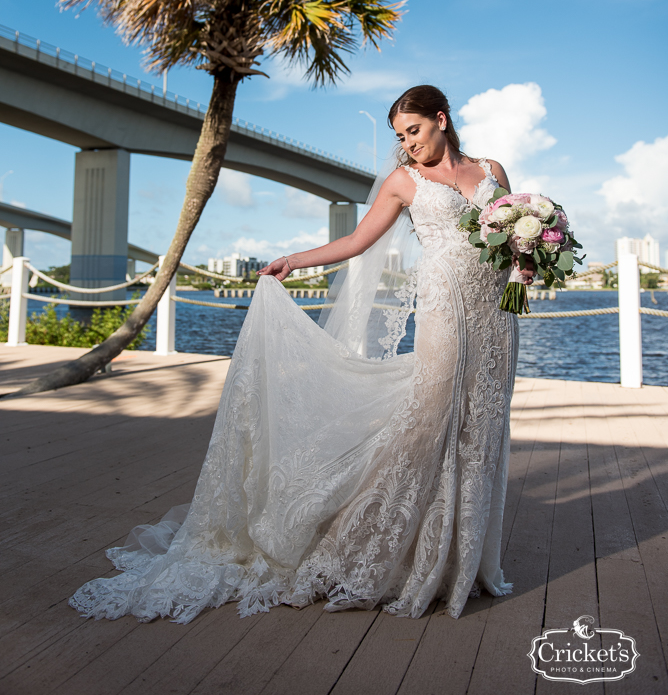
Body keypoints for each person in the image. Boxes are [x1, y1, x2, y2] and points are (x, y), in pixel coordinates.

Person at [70, 84, 530, 625]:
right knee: (428, 423)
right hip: (445, 309)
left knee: (483, 427)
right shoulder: (403, 182)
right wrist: (294, 260)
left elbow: (513, 239)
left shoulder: (492, 171)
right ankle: (367, 549)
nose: (407, 144)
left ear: (442, 120)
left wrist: (530, 260)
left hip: (498, 314)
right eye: (400, 137)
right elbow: (355, 243)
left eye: (414, 130)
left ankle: (460, 562)